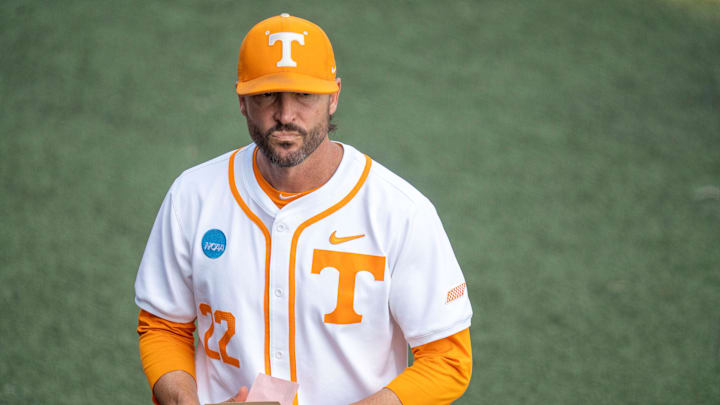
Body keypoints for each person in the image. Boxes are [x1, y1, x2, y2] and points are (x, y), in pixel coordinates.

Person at [135, 13, 473, 405]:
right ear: (242, 101)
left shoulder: (401, 213)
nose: (285, 115)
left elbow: (447, 358)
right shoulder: (192, 197)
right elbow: (164, 325)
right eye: (267, 96)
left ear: (333, 97)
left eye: (304, 96)